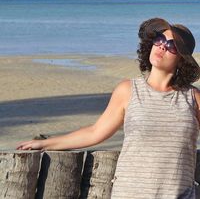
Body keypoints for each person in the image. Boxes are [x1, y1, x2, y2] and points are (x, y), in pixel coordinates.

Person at [17, 17, 200, 199]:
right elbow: (95, 132)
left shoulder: (193, 98)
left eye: (171, 45)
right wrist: (44, 143)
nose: (162, 46)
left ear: (182, 60)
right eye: (159, 39)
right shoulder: (128, 90)